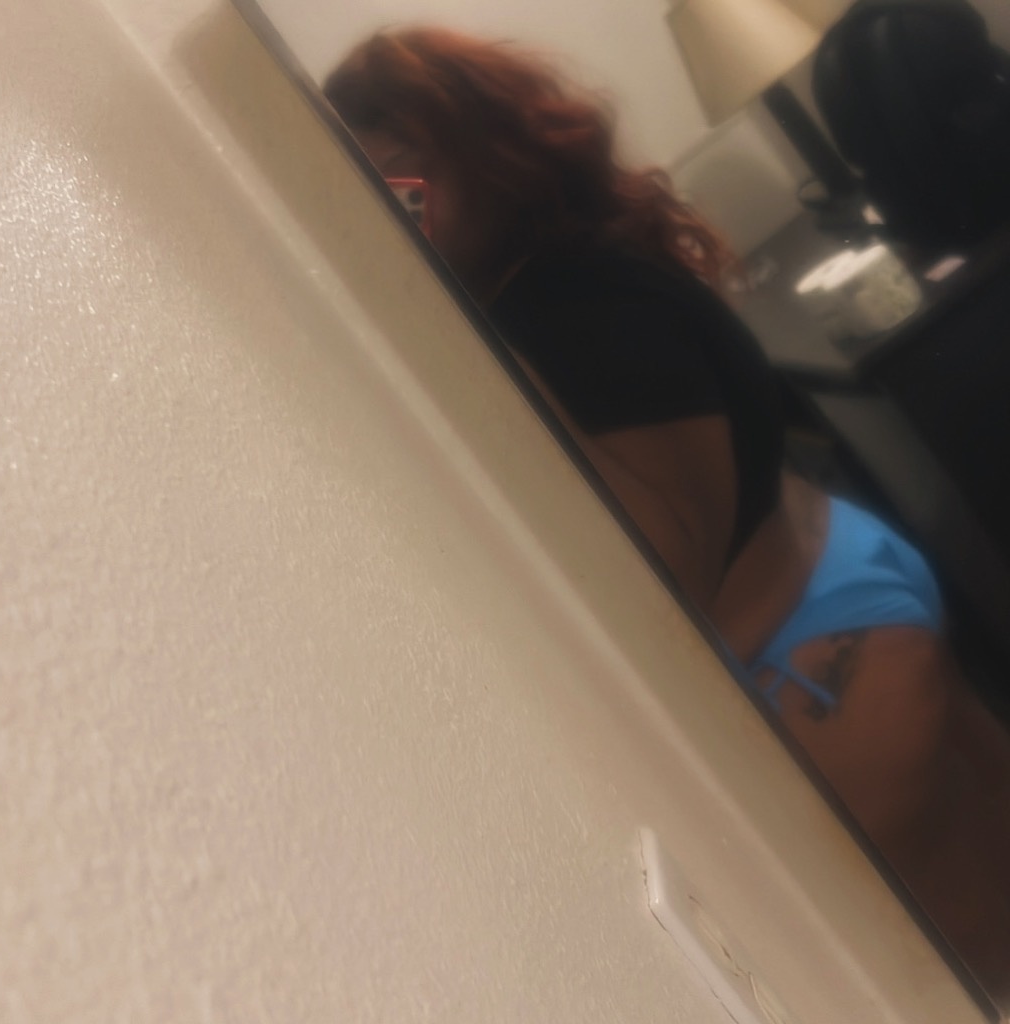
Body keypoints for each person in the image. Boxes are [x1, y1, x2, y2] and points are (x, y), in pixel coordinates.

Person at [325, 28, 1010, 998]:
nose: (395, 206)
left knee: (965, 978)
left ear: (472, 148)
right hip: (841, 582)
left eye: (400, 175)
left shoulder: (550, 313)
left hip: (803, 663)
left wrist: (428, 314)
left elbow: (659, 573)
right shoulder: (591, 258)